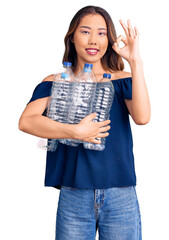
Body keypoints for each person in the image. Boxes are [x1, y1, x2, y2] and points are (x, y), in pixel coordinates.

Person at [18, 5, 151, 240]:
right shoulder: (57, 82)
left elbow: (142, 117)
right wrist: (76, 131)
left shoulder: (121, 81)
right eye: (85, 31)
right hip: (74, 194)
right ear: (72, 37)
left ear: (109, 40)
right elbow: (27, 121)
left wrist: (135, 61)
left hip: (120, 193)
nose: (93, 40)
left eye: (101, 33)